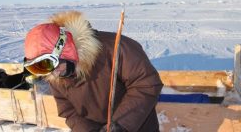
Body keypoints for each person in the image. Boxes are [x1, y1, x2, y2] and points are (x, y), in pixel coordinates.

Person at [23, 11, 163, 132]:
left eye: (53, 65)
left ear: (66, 50)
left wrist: (121, 124)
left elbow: (146, 84)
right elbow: (67, 109)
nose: (54, 74)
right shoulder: (53, 72)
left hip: (135, 126)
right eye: (41, 69)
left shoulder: (118, 48)